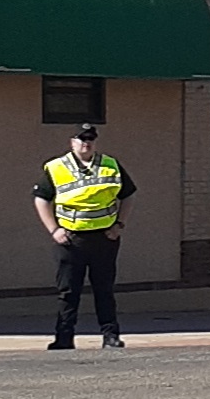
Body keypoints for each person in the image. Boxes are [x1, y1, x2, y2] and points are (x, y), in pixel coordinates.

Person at [33, 122, 135, 351]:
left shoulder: (110, 165)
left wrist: (119, 224)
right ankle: (64, 337)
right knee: (68, 291)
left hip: (103, 238)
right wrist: (54, 229)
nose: (85, 143)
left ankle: (110, 336)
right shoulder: (56, 167)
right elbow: (41, 199)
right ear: (72, 142)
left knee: (104, 289)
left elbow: (127, 195)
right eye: (81, 139)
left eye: (89, 139)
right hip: (71, 240)